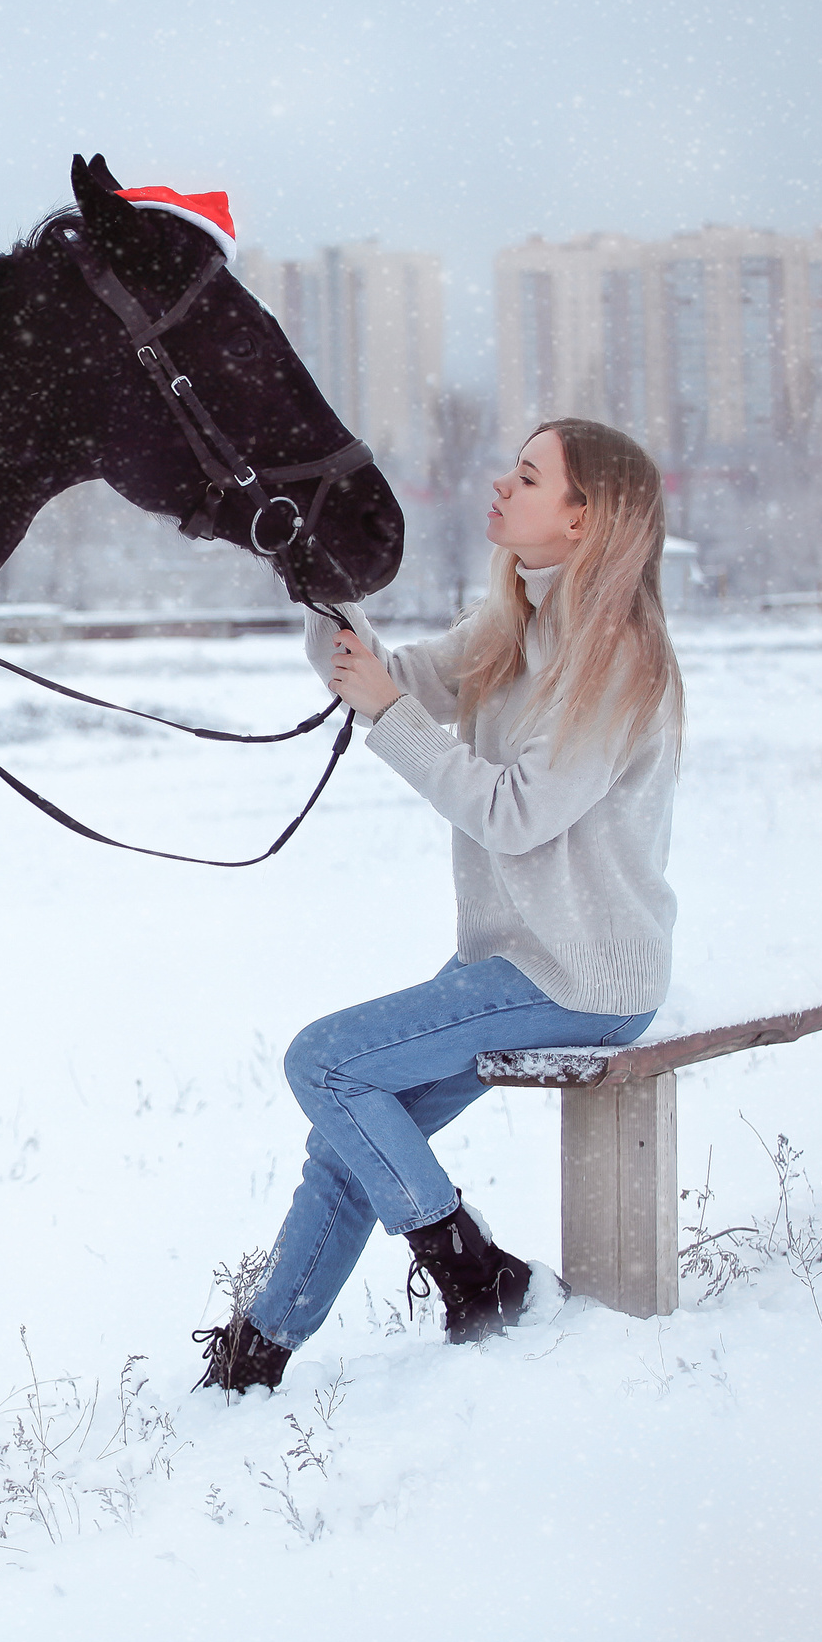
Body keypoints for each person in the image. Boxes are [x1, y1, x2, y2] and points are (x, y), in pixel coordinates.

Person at [197, 417, 684, 1392]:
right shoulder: (521, 624)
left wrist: (386, 710)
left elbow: (513, 815)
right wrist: (316, 577)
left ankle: (468, 1271)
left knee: (324, 1063)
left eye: (529, 476)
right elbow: (392, 680)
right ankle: (255, 1362)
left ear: (583, 519)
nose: (501, 486)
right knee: (352, 1129)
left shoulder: (613, 658)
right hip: (514, 964)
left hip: (579, 974)